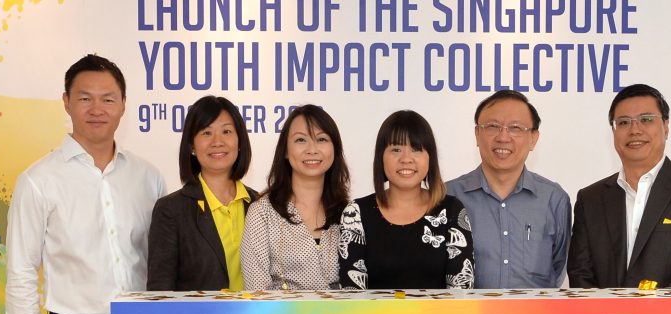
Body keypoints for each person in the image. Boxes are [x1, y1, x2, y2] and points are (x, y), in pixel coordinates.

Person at [5, 54, 165, 314]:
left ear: (124, 105)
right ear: (66, 102)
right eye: (85, 98)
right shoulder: (38, 180)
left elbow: (161, 262)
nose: (97, 109)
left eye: (108, 98)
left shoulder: (149, 178)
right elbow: (21, 272)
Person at [567, 84, 671, 290]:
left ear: (666, 127)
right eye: (623, 122)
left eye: (646, 119)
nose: (635, 130)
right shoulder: (590, 199)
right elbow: (580, 275)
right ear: (613, 132)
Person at [446, 90, 570, 288]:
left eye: (515, 128)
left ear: (533, 139)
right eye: (493, 126)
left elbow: (558, 267)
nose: (503, 137)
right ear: (477, 134)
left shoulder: (554, 199)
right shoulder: (447, 196)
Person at [339, 110, 474, 290]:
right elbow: (351, 294)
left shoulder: (451, 210)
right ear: (381, 158)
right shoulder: (356, 212)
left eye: (416, 149)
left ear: (430, 158)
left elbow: (461, 291)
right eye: (396, 150)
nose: (406, 159)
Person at [147, 96, 255, 291]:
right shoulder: (171, 210)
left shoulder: (261, 204)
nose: (217, 142)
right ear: (192, 146)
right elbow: (160, 291)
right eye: (206, 133)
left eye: (226, 131)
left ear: (239, 141)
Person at [240, 105, 349, 290]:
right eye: (301, 140)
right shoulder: (262, 213)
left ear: (335, 149)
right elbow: (256, 292)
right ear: (285, 150)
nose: (312, 149)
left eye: (322, 139)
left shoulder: (350, 213)